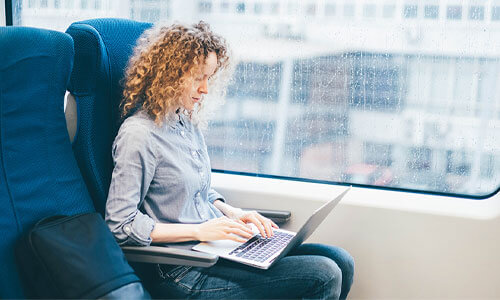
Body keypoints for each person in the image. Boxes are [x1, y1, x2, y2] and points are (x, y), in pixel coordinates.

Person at [105, 21, 354, 299]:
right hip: (183, 269)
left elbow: (198, 191)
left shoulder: (183, 121)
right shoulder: (139, 135)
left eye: (209, 77)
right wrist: (200, 230)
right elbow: (120, 225)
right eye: (198, 77)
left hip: (213, 249)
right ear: (169, 74)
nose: (205, 88)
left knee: (341, 260)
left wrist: (233, 213)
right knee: (323, 274)